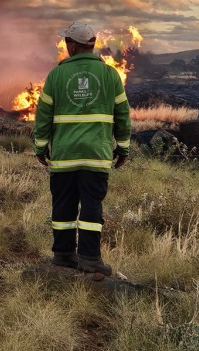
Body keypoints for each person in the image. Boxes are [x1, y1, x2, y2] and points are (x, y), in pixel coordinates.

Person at [32, 21, 131, 276]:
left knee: (63, 205)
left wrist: (40, 147)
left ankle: (63, 254)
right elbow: (122, 114)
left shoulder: (57, 75)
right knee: (91, 207)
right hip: (96, 155)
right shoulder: (110, 75)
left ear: (72, 45)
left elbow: (43, 115)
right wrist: (123, 148)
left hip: (65, 155)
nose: (66, 46)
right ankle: (89, 258)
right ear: (92, 45)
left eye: (67, 42)